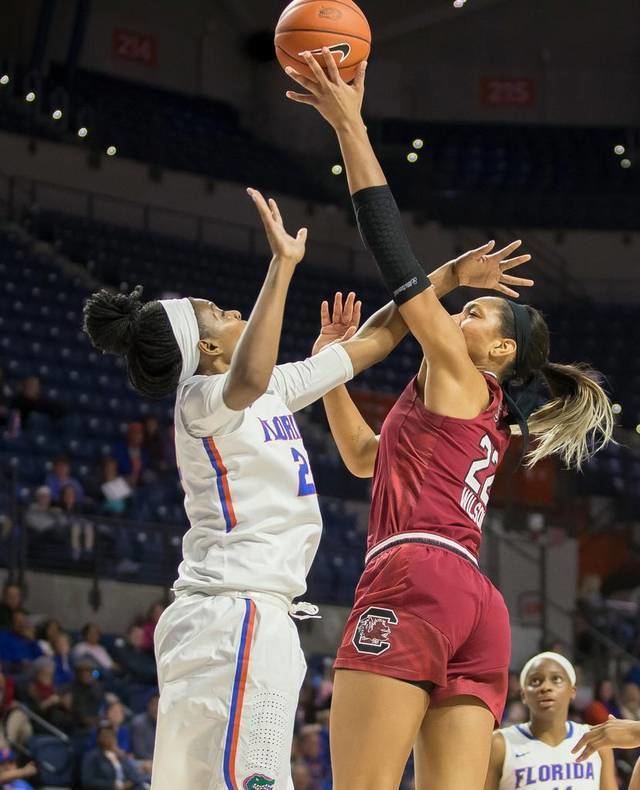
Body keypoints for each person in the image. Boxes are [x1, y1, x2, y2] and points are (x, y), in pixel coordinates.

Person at [82, 188, 516, 789]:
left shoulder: (271, 392)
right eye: (222, 315)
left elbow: (375, 341)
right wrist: (281, 267)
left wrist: (446, 277)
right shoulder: (203, 401)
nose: (235, 314)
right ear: (207, 347)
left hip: (251, 615)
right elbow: (250, 373)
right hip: (232, 612)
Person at [285, 49, 615, 789]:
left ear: (499, 348)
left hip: (414, 577)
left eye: (474, 313)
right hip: (473, 601)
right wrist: (332, 368)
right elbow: (367, 458)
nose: (456, 314)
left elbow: (395, 261)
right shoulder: (475, 407)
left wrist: (349, 125)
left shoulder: (462, 371)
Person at [484, 652, 616, 789]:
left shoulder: (596, 739)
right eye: (535, 681)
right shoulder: (500, 744)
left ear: (572, 691)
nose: (546, 687)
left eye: (556, 679)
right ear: (523, 695)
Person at [81, 723, 146, 790]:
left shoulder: (120, 755)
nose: (108, 738)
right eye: (105, 735)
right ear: (98, 738)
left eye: (111, 735)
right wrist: (112, 785)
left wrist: (129, 783)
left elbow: (135, 776)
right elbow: (87, 781)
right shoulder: (92, 756)